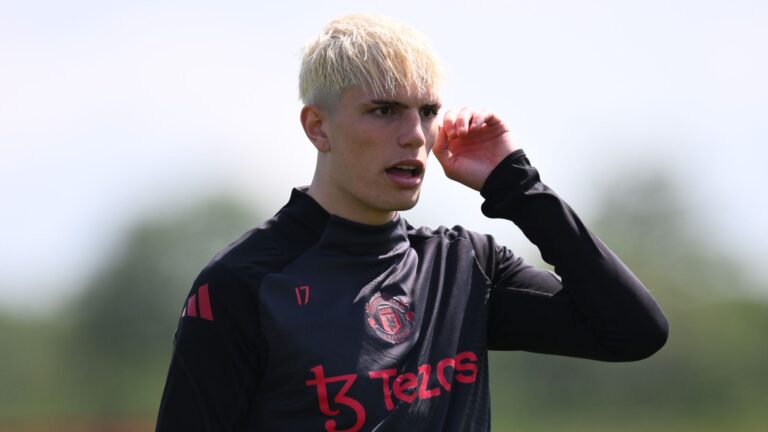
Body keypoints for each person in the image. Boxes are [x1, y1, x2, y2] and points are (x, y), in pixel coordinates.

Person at [155, 14, 668, 432]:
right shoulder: (243, 283)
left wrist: (516, 186)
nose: (415, 136)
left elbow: (634, 332)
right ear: (318, 127)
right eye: (384, 111)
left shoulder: (465, 266)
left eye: (426, 111)